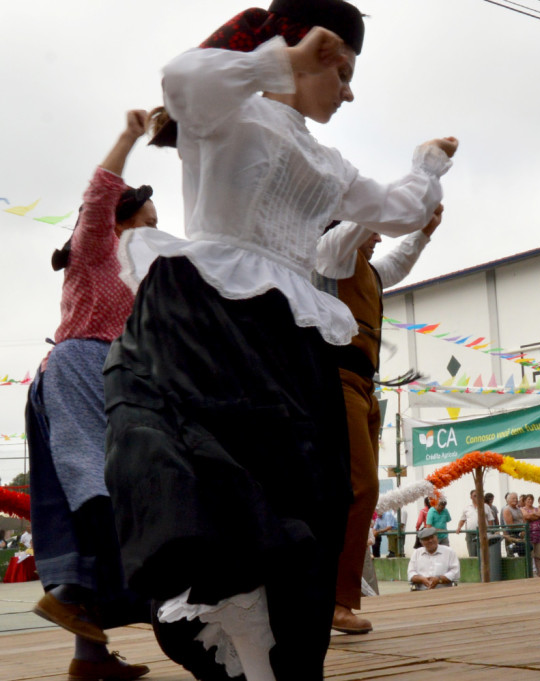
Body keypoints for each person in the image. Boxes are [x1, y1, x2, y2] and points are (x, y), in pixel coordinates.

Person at [104, 4, 459, 677]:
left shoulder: (329, 162)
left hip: (289, 339)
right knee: (219, 476)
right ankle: (226, 598)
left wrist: (428, 163)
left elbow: (400, 207)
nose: (349, 90)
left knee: (308, 503)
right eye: (343, 72)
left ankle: (264, 641)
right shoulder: (229, 114)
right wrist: (285, 59)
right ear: (315, 52)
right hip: (208, 316)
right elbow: (182, 80)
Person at [25, 111, 156, 681]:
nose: (156, 230)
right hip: (78, 370)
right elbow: (99, 193)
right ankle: (75, 593)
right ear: (119, 226)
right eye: (147, 222)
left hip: (110, 378)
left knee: (105, 488)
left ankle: (90, 656)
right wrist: (128, 136)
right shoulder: (94, 251)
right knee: (98, 490)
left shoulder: (141, 278)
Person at [314, 209, 443, 635]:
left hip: (364, 390)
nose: (378, 241)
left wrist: (423, 231)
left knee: (353, 492)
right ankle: (336, 602)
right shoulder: (332, 254)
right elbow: (364, 223)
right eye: (372, 233)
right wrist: (395, 204)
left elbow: (398, 262)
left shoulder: (366, 270)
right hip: (335, 383)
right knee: (362, 487)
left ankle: (327, 598)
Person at [520, 494, 540, 577]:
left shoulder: (537, 509)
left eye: (531, 499)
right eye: (528, 499)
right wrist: (535, 515)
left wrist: (532, 515)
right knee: (530, 555)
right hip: (529, 535)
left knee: (539, 555)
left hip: (539, 535)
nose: (530, 501)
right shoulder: (522, 509)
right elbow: (526, 516)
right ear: (525, 501)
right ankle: (530, 574)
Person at [456, 490, 485, 558]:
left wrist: (490, 530)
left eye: (478, 495)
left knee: (483, 555)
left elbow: (490, 520)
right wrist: (459, 527)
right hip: (470, 535)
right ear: (471, 497)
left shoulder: (485, 507)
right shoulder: (467, 508)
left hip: (482, 534)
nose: (477, 497)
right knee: (472, 555)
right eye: (475, 496)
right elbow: (462, 520)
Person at [502, 492, 526, 557]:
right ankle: (511, 548)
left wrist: (523, 530)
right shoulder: (507, 509)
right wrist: (522, 527)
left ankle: (523, 566)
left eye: (516, 498)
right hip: (512, 532)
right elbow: (510, 525)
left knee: (524, 551)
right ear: (508, 500)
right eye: (513, 498)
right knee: (527, 547)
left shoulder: (518, 509)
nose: (515, 500)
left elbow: (523, 520)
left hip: (521, 531)